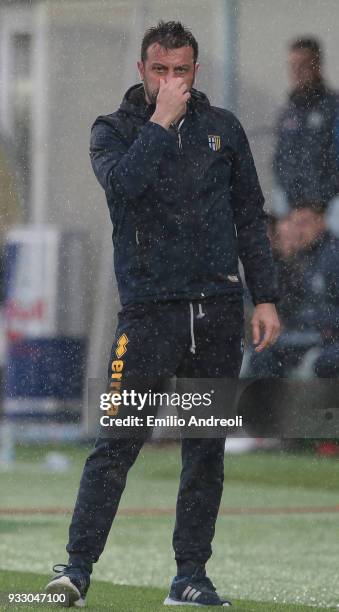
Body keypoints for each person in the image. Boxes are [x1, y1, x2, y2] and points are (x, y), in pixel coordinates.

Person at [45, 21, 280, 607]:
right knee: (118, 441)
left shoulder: (223, 130)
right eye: (160, 71)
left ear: (196, 72)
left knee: (205, 449)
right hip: (150, 316)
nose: (171, 81)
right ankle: (75, 569)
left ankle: (190, 576)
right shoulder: (114, 130)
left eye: (181, 71)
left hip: (219, 314)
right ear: (142, 71)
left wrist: (266, 295)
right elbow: (124, 189)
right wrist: (159, 124)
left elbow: (250, 215)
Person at [249, 200, 339, 379]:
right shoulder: (305, 257)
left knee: (318, 363)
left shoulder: (332, 255)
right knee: (263, 352)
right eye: (295, 224)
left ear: (321, 221)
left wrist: (317, 324)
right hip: (312, 332)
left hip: (326, 336)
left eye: (304, 223)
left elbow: (326, 310)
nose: (298, 230)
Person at [273, 37, 339, 213]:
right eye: (292, 66)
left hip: (328, 211)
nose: (296, 72)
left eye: (303, 64)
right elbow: (280, 161)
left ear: (317, 66)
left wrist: (321, 205)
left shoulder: (334, 108)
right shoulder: (288, 112)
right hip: (293, 212)